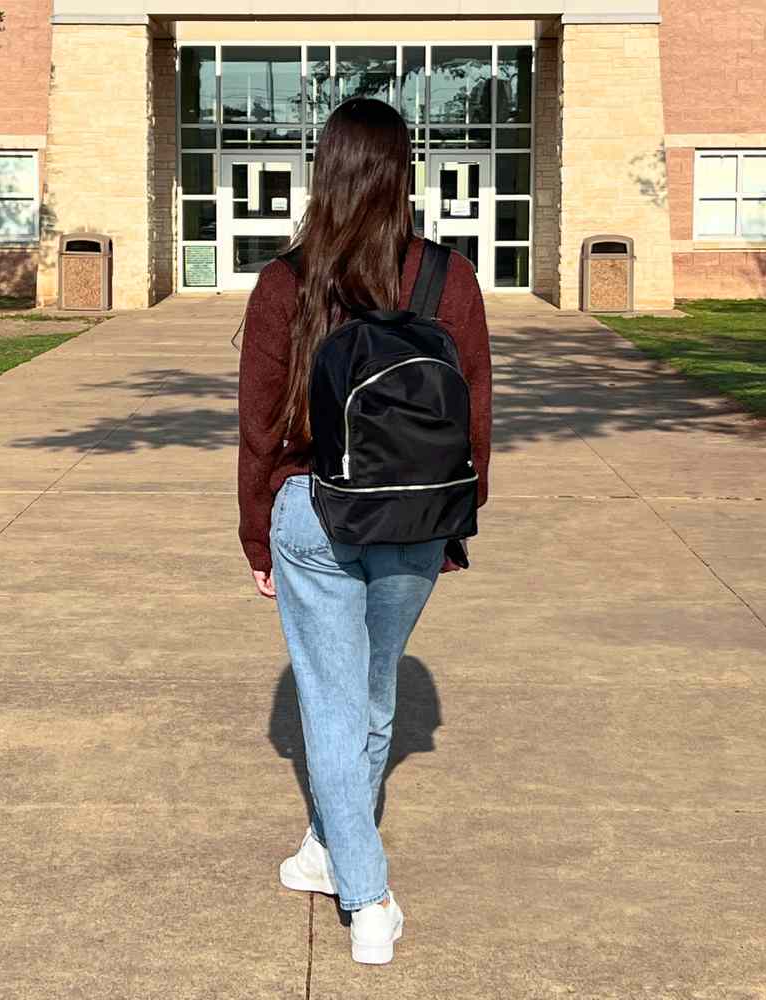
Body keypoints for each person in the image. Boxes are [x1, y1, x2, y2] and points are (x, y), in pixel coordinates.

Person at [236, 97, 493, 966]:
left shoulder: (286, 282)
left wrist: (255, 539)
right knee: (372, 695)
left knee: (336, 706)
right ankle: (327, 847)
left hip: (314, 510)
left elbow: (259, 430)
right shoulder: (446, 278)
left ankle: (367, 895)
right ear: (402, 174)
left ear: (325, 174)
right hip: (417, 514)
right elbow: (476, 418)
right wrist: (457, 521)